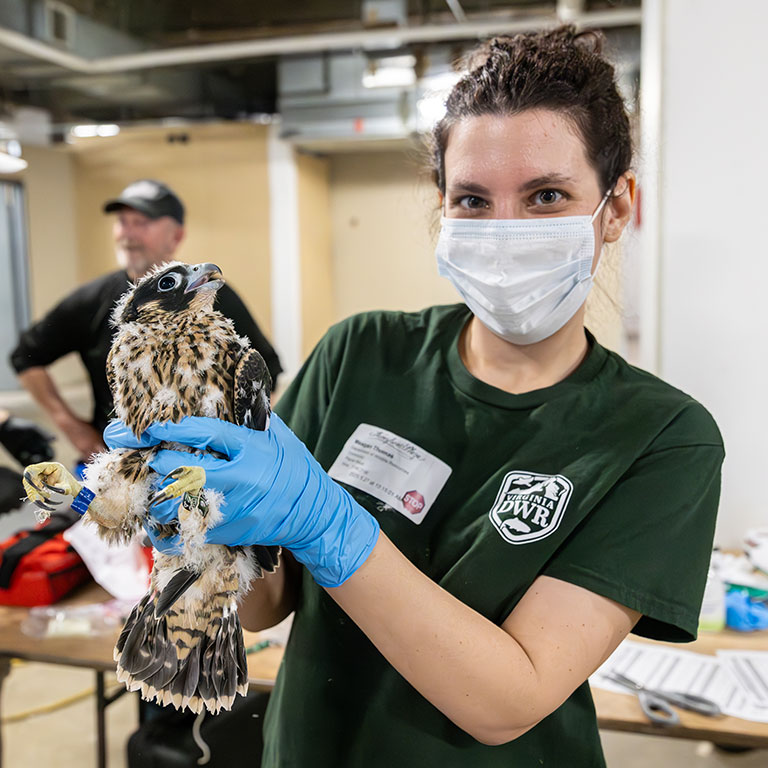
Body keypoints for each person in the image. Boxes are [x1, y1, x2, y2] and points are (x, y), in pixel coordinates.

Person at [104, 28, 725, 767]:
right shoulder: (359, 353)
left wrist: (326, 523)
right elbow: (269, 604)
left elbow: (507, 702)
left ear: (616, 207)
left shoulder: (662, 435)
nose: (504, 232)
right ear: (443, 207)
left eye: (546, 196)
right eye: (473, 199)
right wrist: (199, 526)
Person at [10, 179, 282, 464]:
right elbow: (26, 357)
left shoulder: (211, 295)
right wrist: (74, 429)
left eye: (141, 223)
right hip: (126, 460)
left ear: (176, 236)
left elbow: (266, 373)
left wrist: (251, 445)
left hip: (211, 461)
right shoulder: (93, 300)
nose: (128, 234)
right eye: (122, 222)